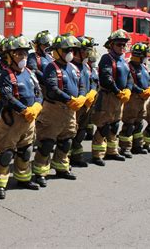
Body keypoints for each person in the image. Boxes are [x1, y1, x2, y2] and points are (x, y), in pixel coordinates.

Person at [0, 35, 42, 199]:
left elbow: (38, 92)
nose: (24, 57)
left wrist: (37, 105)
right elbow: (7, 97)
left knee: (26, 150)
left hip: (29, 119)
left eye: (25, 54)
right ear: (9, 55)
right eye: (19, 54)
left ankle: (23, 178)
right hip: (12, 119)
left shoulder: (29, 72)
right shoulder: (5, 75)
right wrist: (23, 110)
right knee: (6, 153)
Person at [32, 35, 86, 187]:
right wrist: (69, 99)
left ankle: (61, 167)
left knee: (66, 141)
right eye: (67, 50)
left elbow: (81, 84)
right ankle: (40, 172)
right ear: (57, 51)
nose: (71, 53)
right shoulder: (51, 67)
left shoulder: (74, 67)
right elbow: (52, 87)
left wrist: (81, 97)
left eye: (72, 50)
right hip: (54, 110)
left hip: (70, 111)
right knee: (47, 142)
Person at [90, 30, 133, 166]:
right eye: (119, 44)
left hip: (120, 98)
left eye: (124, 45)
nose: (122, 47)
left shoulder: (124, 60)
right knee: (104, 126)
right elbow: (106, 77)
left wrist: (128, 90)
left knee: (115, 125)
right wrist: (117, 91)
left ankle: (112, 151)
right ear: (112, 45)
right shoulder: (107, 58)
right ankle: (97, 154)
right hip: (108, 96)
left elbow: (129, 77)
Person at [118, 43, 150, 157]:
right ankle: (125, 148)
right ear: (139, 55)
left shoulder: (143, 66)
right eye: (145, 55)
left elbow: (149, 80)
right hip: (133, 100)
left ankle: (137, 146)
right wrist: (140, 91)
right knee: (129, 125)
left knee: (139, 124)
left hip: (142, 100)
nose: (146, 58)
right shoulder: (129, 67)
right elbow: (129, 83)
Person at [70, 36, 98, 167]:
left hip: (86, 105)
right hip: (74, 106)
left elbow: (93, 81)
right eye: (84, 52)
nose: (87, 54)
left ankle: (76, 156)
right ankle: (64, 159)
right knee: (69, 134)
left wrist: (92, 92)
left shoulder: (86, 66)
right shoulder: (69, 67)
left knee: (81, 131)